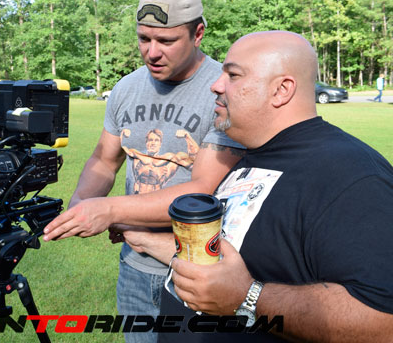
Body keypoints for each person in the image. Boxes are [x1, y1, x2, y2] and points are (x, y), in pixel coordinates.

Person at [119, 30, 393, 342]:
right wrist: (142, 238)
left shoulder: (351, 176)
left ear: (281, 90)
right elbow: (237, 252)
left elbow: (384, 321)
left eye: (233, 75)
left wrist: (248, 298)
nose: (216, 85)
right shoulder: (255, 154)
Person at [43, 0, 244, 343]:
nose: (152, 52)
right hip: (133, 266)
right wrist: (81, 203)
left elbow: (202, 190)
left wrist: (109, 211)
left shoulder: (222, 91)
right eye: (143, 38)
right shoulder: (126, 88)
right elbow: (104, 161)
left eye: (166, 41)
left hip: (196, 269)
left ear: (198, 34)